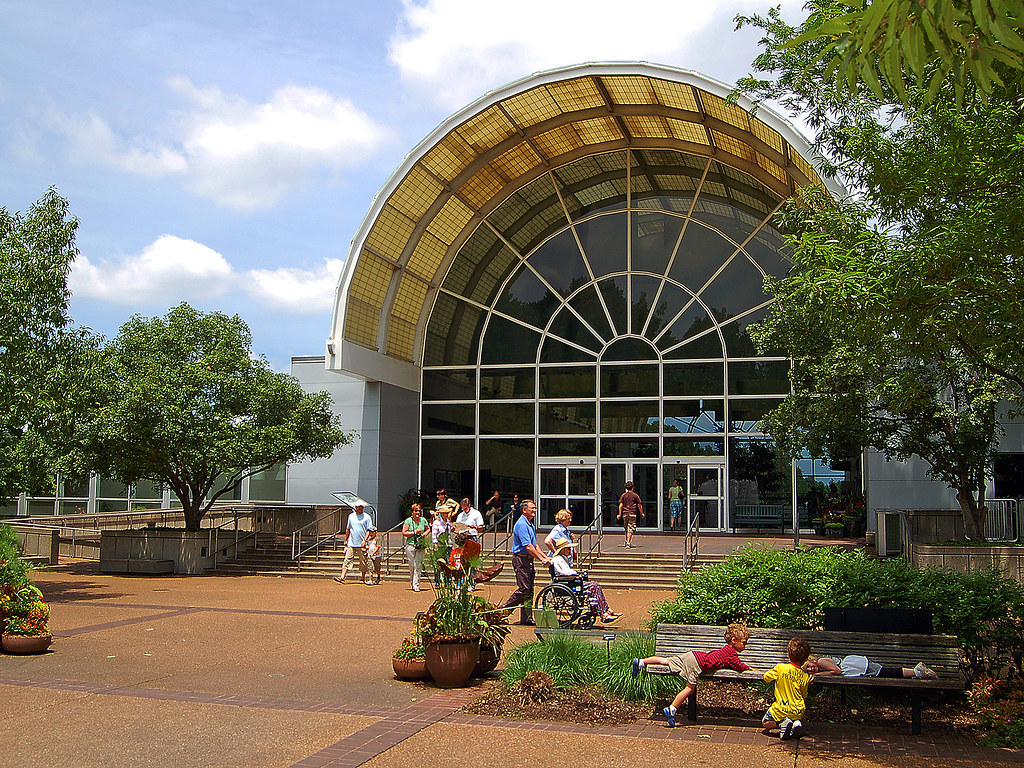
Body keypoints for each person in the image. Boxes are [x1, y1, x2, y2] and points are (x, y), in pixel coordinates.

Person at [631, 623, 752, 727]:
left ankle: (642, 662)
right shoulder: (731, 654)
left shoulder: (726, 650)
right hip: (696, 664)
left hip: (693, 655)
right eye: (743, 643)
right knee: (690, 688)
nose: (745, 646)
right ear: (734, 641)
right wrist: (750, 669)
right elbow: (739, 666)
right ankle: (672, 709)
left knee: (666, 661)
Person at [500, 498, 551, 625]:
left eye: (535, 508)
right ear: (524, 510)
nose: (534, 510)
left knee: (529, 590)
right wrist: (542, 559)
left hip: (528, 560)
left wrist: (545, 557)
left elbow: (534, 545)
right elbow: (528, 546)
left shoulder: (530, 524)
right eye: (531, 508)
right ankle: (502, 611)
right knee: (524, 588)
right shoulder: (522, 524)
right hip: (521, 559)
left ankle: (526, 617)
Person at [548, 537, 620, 623]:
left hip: (569, 582)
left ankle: (605, 610)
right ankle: (603, 612)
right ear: (563, 550)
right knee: (594, 586)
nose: (570, 550)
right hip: (567, 584)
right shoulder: (558, 559)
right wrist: (576, 575)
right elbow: (566, 572)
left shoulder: (562, 558)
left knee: (595, 585)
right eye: (568, 548)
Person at [763, 636, 813, 740]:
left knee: (765, 722)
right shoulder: (805, 676)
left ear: (788, 655)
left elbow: (766, 677)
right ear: (805, 659)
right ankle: (795, 723)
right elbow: (804, 695)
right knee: (793, 717)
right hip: (798, 710)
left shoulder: (781, 668)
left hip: (781, 708)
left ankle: (781, 724)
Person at [805, 654, 936, 679]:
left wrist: (816, 675)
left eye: (809, 666)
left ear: (811, 660)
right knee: (885, 672)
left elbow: (836, 671)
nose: (811, 669)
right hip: (857, 667)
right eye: (808, 671)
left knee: (885, 672)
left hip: (857, 666)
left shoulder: (821, 661)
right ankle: (916, 672)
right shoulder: (821, 664)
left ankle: (917, 671)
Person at [335, 503, 372, 584]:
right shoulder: (351, 516)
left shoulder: (367, 517)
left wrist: (365, 540)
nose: (360, 508)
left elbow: (369, 530)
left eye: (361, 507)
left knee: (363, 561)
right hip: (352, 542)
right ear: (356, 507)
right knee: (347, 559)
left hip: (361, 543)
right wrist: (346, 540)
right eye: (359, 507)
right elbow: (348, 529)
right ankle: (342, 577)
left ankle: (363, 577)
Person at [401, 503, 429, 592]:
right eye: (416, 511)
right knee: (412, 565)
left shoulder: (423, 520)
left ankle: (416, 584)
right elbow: (404, 532)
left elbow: (428, 528)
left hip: (420, 545)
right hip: (411, 545)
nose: (418, 513)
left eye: (419, 511)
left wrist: (425, 533)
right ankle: (412, 581)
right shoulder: (408, 521)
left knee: (418, 565)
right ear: (412, 512)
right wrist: (414, 532)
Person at [617, 481, 644, 548]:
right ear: (632, 487)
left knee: (626, 527)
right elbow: (639, 505)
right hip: (632, 513)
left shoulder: (623, 495)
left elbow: (620, 505)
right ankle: (628, 542)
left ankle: (626, 540)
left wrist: (619, 514)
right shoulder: (635, 495)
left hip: (625, 513)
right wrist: (642, 513)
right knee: (631, 528)